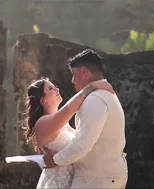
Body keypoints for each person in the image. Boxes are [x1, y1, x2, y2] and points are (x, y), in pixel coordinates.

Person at [42, 49, 128, 188]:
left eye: (73, 74)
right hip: (105, 175)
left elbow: (82, 145)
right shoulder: (105, 95)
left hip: (96, 178)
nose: (72, 80)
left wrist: (54, 159)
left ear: (84, 72)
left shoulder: (95, 99)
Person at [24, 76, 115, 188]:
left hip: (76, 181)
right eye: (51, 89)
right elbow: (68, 109)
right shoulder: (42, 123)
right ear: (44, 100)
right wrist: (92, 86)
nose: (57, 89)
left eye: (54, 87)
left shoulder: (61, 123)